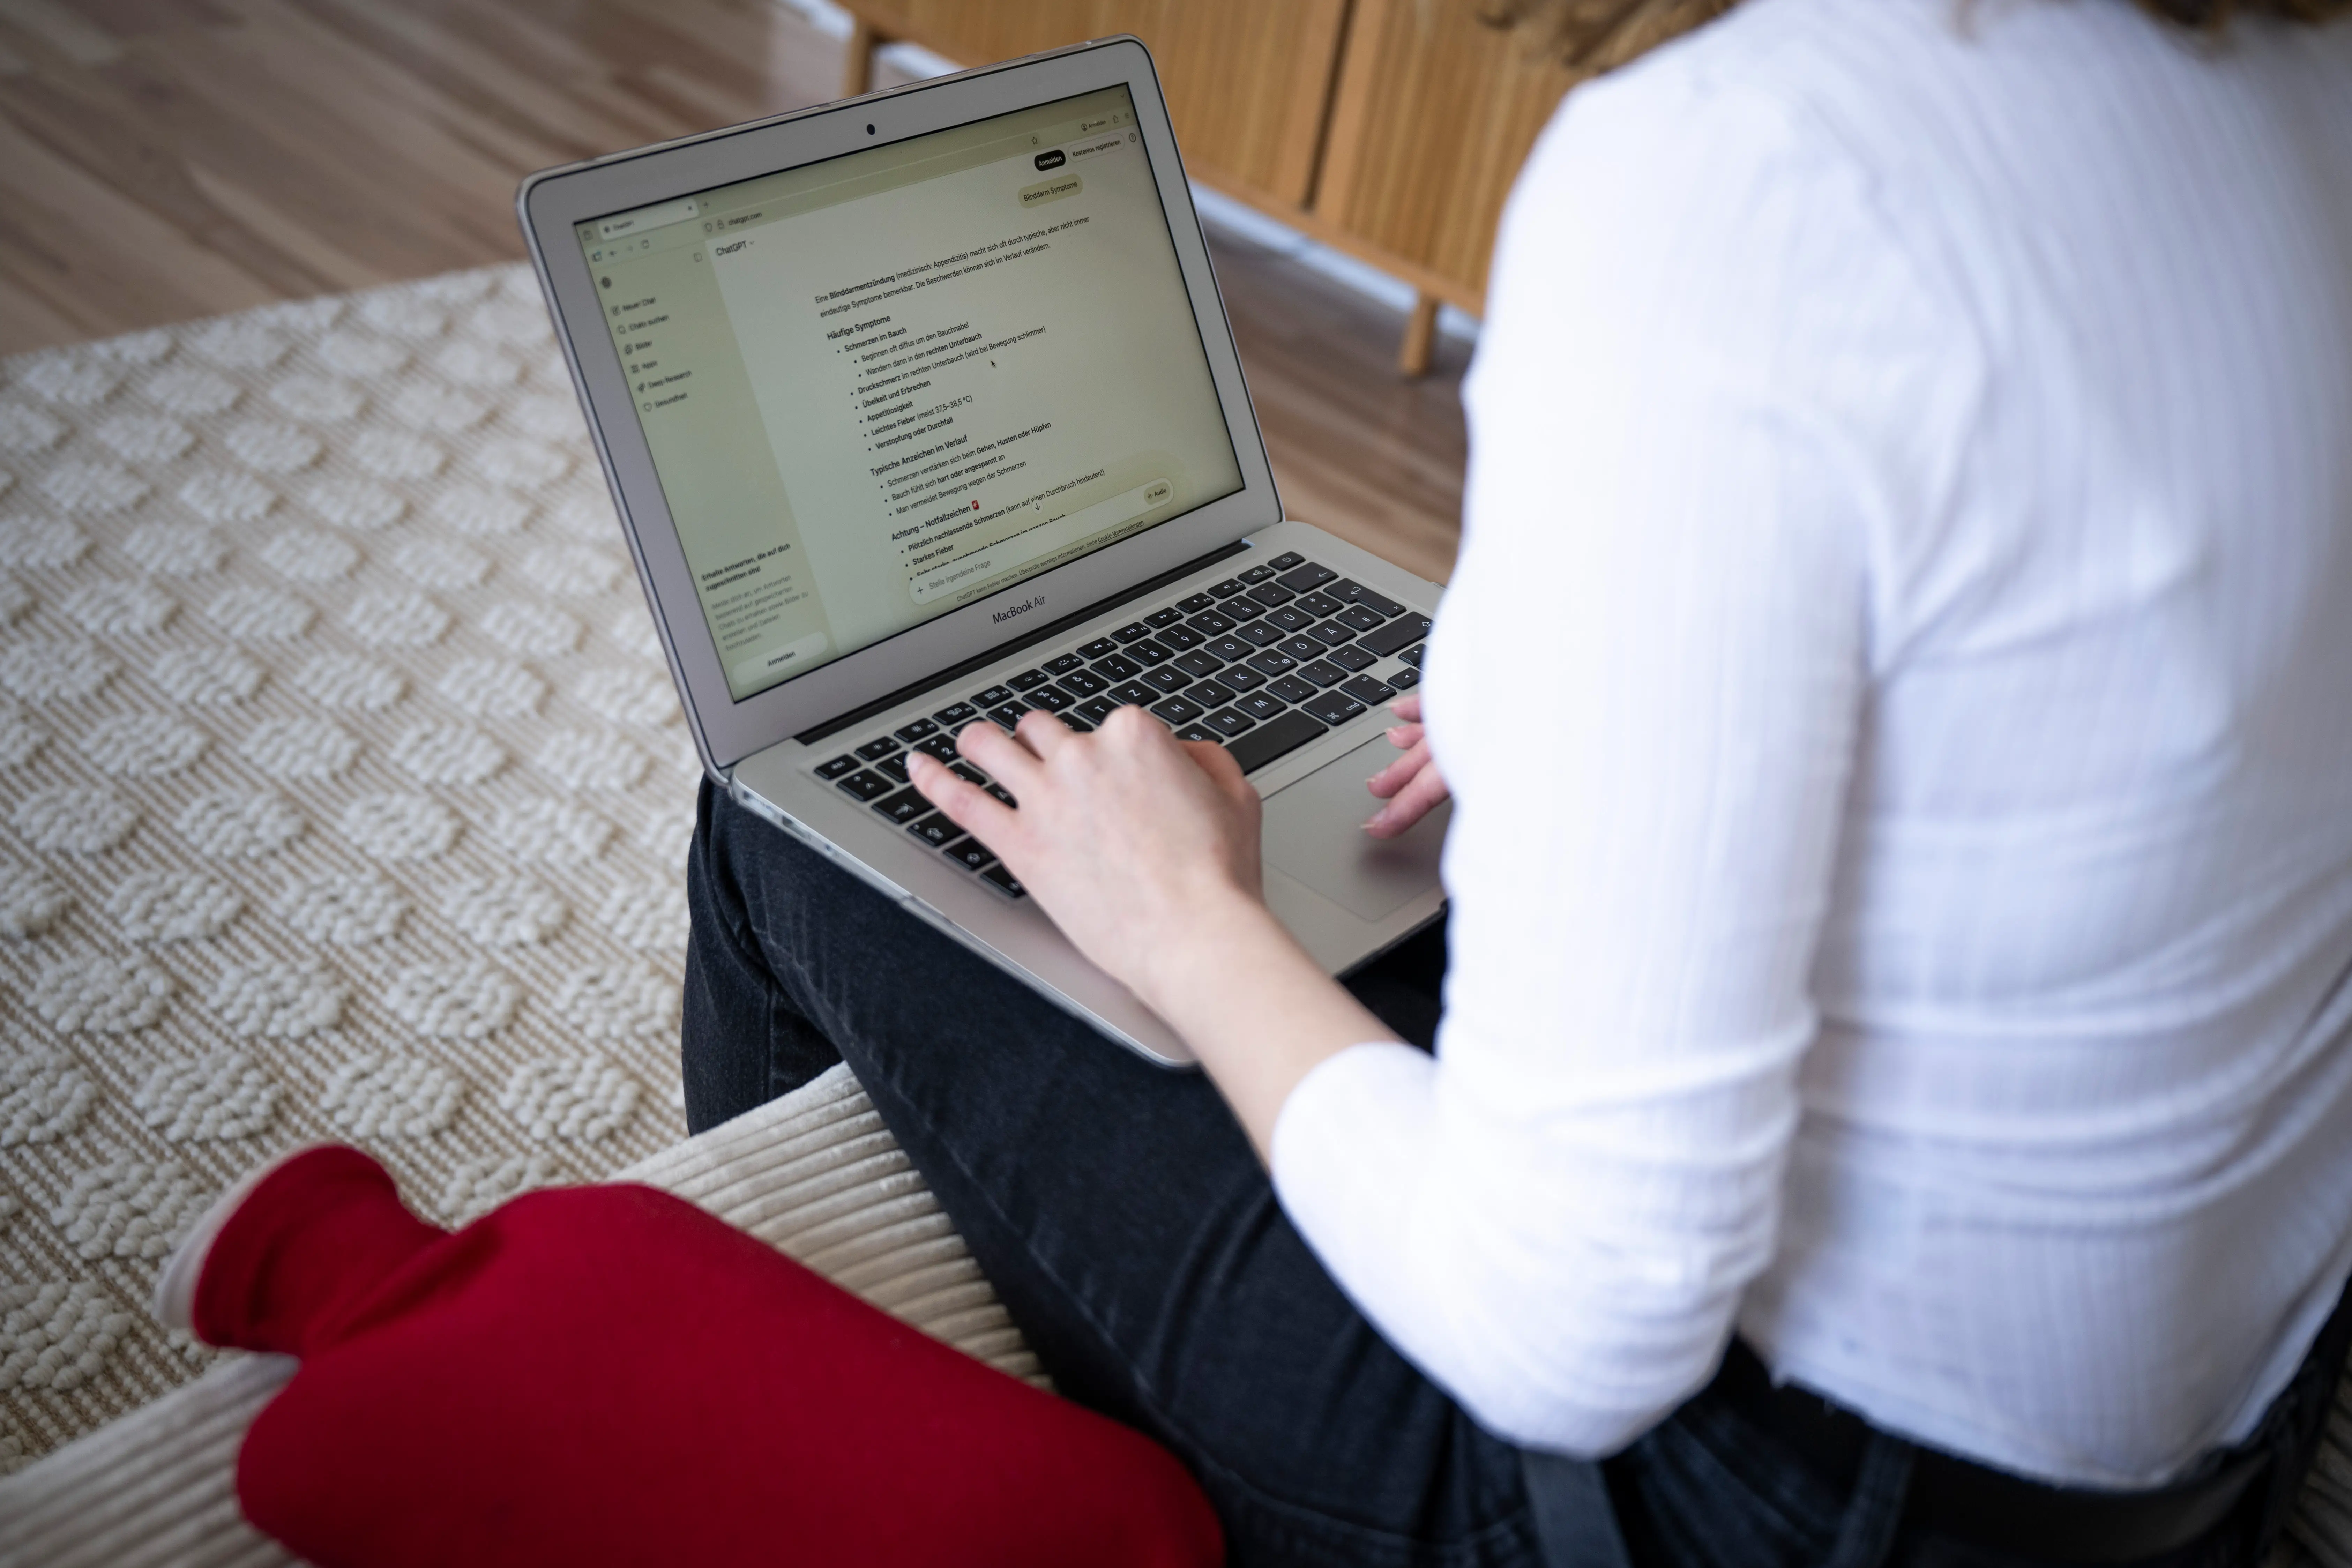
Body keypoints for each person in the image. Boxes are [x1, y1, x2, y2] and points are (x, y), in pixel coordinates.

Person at [681, 0, 2352, 1561]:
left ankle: (747, 1450)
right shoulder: (2295, 78)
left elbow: (1567, 1331)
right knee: (1368, 897)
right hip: (2216, 1430)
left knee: (789, 834)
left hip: (1755, 1498)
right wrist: (1552, 708)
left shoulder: (1739, 175)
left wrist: (1180, 919)